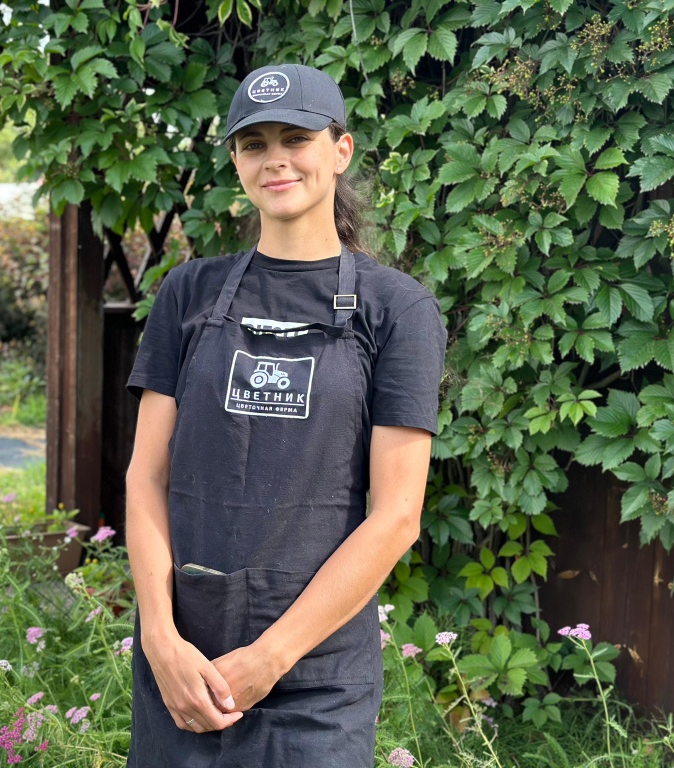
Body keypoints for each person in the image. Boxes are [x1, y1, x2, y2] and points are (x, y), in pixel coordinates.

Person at [124, 63, 447, 767]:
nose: (274, 158)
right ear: (237, 160)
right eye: (253, 143)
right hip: (182, 662)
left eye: (295, 137)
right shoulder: (189, 292)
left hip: (314, 679)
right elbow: (146, 478)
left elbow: (396, 516)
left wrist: (270, 657)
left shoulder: (397, 311)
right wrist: (158, 638)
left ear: (340, 150)